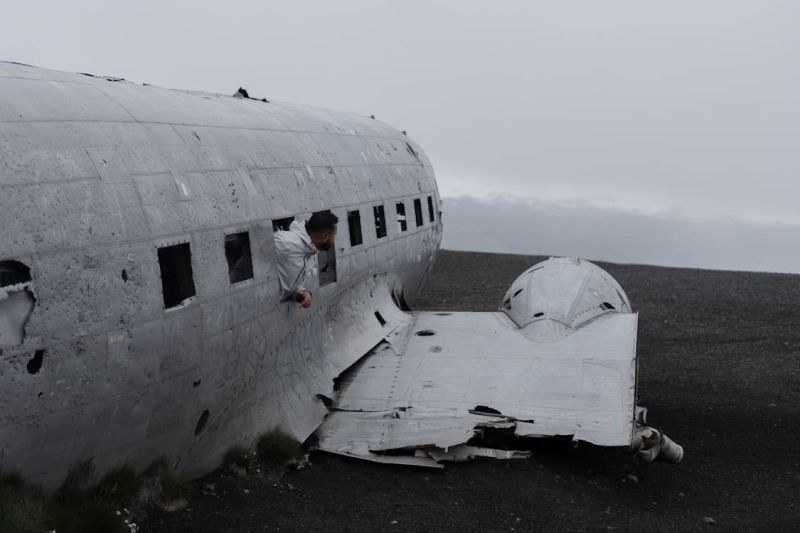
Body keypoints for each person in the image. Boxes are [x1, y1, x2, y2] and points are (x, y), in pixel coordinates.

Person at [273, 211, 338, 308]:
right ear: (324, 237)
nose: (334, 239)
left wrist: (302, 294)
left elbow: (288, 285)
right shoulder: (285, 243)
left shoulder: (311, 251)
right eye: (334, 235)